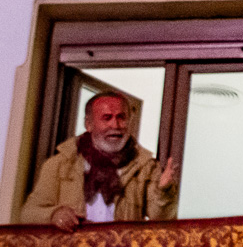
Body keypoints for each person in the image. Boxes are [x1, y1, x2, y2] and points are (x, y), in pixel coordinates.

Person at [21, 91, 178, 229]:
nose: (115, 125)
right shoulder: (61, 164)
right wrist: (54, 214)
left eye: (121, 117)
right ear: (88, 124)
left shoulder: (146, 167)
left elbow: (162, 221)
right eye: (106, 118)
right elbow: (28, 214)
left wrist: (164, 191)